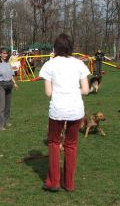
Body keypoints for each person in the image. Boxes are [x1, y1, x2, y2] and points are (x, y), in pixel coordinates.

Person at [39, 34, 90, 192]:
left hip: (58, 109)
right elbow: (86, 90)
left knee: (54, 143)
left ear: (55, 48)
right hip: (76, 109)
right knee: (71, 145)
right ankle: (69, 183)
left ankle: (54, 182)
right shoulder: (79, 64)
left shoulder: (49, 64)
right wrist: (73, 92)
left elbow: (48, 93)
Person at [0, 48, 19, 131]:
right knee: (2, 106)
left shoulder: (8, 63)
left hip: (9, 85)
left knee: (8, 106)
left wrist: (14, 83)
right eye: (4, 53)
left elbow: (11, 75)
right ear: (0, 54)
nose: (5, 55)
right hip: (1, 85)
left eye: (6, 53)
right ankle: (0, 125)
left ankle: (6, 121)